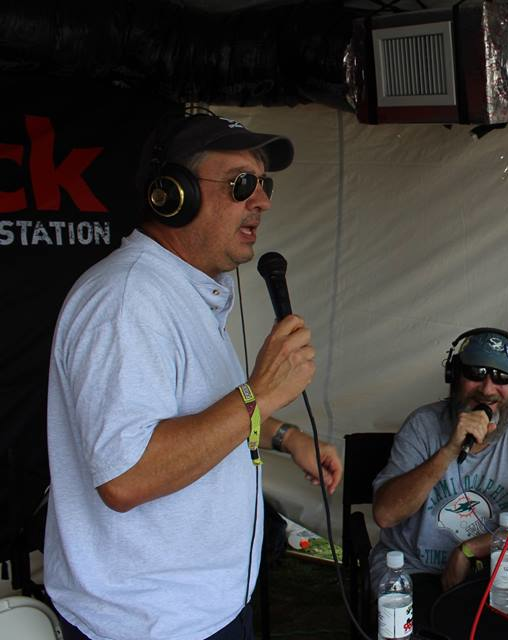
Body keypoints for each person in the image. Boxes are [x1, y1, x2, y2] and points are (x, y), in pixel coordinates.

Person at [44, 113, 343, 640]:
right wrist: (259, 395)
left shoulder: (182, 292)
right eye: (242, 183)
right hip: (149, 624)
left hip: (202, 607)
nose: (262, 201)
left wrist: (284, 435)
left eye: (265, 184)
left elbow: (197, 415)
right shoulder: (127, 301)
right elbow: (126, 477)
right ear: (172, 195)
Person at [371, 328, 508, 625]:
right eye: (476, 373)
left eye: (502, 378)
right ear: (454, 376)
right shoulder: (423, 425)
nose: (487, 389)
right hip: (412, 571)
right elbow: (385, 515)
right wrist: (450, 449)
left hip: (491, 570)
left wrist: (470, 549)